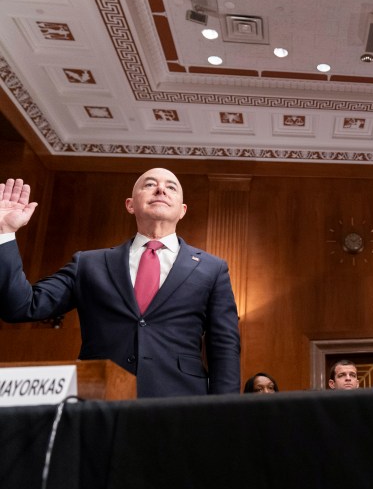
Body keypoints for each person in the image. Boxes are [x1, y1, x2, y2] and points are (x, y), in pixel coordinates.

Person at [0, 170, 241, 397]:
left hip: (181, 402)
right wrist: (5, 232)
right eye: (149, 184)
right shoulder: (88, 263)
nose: (160, 190)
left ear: (182, 210)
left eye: (171, 187)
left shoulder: (212, 268)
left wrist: (223, 411)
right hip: (99, 399)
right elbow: (22, 306)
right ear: (130, 204)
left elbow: (224, 346)